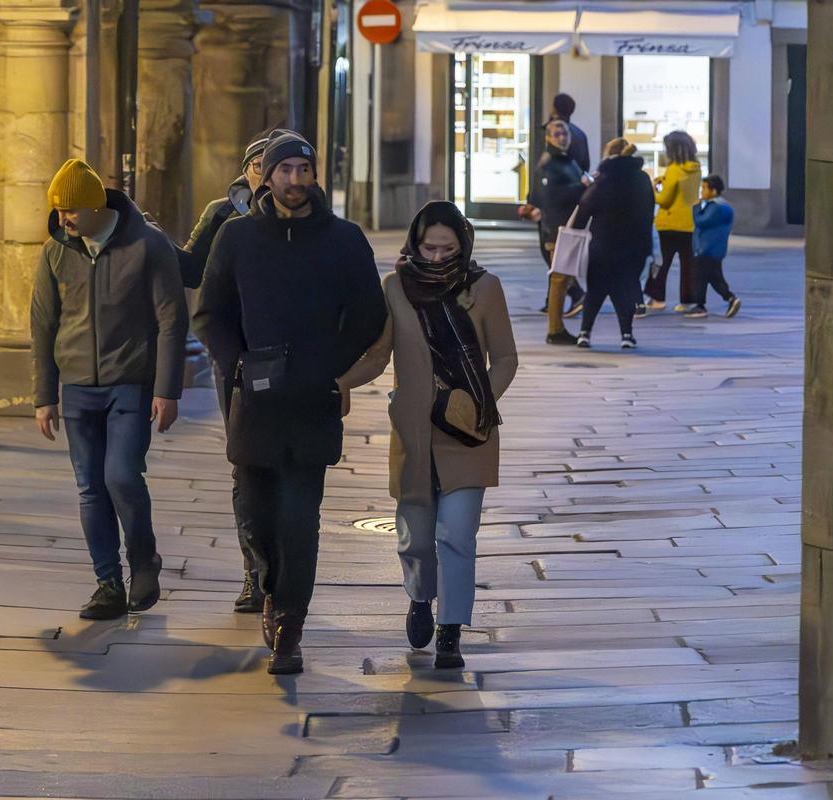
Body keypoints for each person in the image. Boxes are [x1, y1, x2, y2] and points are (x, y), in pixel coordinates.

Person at [193, 131, 386, 675]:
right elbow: (211, 313)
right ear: (267, 175)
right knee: (256, 515)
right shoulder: (237, 239)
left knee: (300, 518)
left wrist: (332, 366)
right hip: (254, 401)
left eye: (304, 169)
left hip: (312, 400)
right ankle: (270, 587)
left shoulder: (344, 240)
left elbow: (368, 316)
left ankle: (290, 626)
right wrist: (237, 363)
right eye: (285, 170)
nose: (295, 181)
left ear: (315, 174)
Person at [339, 201, 517, 669]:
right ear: (415, 244)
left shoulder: (485, 288)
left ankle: (451, 630)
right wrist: (337, 383)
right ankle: (420, 597)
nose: (438, 258)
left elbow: (505, 359)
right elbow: (379, 356)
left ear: (464, 244)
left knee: (458, 536)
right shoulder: (396, 288)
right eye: (429, 248)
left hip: (467, 434)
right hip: (414, 431)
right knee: (415, 539)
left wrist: (478, 404)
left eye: (449, 249)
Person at [31, 159, 189, 620]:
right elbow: (43, 323)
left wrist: (167, 390)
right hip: (78, 387)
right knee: (89, 489)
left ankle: (144, 561)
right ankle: (107, 585)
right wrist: (45, 395)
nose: (62, 220)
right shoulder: (56, 251)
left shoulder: (148, 244)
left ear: (95, 205)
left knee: (120, 476)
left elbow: (170, 319)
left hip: (131, 383)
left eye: (70, 211)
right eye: (58, 212)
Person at [181, 129, 273, 614]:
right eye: (257, 162)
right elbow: (192, 270)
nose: (264, 172)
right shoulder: (221, 213)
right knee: (243, 459)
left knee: (286, 462)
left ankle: (284, 571)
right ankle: (254, 573)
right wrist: (148, 238)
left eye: (272, 163)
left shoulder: (302, 217)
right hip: (235, 358)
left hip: (288, 356)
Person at [573, 139, 655, 350]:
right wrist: (648, 248)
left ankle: (584, 333)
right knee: (623, 289)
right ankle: (627, 335)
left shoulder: (603, 179)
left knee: (595, 289)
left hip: (602, 243)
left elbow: (585, 207)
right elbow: (648, 215)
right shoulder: (642, 178)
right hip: (632, 246)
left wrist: (575, 230)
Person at [179, 130, 272, 290]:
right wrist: (155, 237)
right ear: (246, 172)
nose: (266, 176)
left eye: (276, 167)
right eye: (258, 166)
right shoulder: (222, 212)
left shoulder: (309, 216)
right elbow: (192, 271)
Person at [526, 120, 589, 346]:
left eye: (565, 133)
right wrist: (582, 186)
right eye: (557, 134)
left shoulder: (566, 160)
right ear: (549, 138)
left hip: (568, 228)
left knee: (561, 279)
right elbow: (550, 197)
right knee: (559, 279)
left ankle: (557, 327)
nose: (562, 137)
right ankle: (555, 329)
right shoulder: (549, 164)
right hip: (557, 230)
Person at [644, 131, 702, 312]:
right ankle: (688, 301)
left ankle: (657, 298)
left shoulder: (674, 170)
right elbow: (686, 194)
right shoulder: (696, 168)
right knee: (688, 265)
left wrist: (653, 190)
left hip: (669, 224)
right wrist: (665, 180)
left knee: (662, 263)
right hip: (689, 223)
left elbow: (665, 200)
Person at [686, 174, 741, 319]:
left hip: (707, 248)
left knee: (705, 276)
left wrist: (696, 207)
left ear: (714, 191)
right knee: (710, 276)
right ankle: (714, 301)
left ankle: (718, 300)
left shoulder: (717, 208)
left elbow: (701, 221)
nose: (701, 191)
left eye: (704, 188)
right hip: (711, 248)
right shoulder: (722, 207)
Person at [551, 92, 590, 174]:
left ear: (554, 109)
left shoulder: (547, 132)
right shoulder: (580, 135)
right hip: (576, 182)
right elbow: (585, 166)